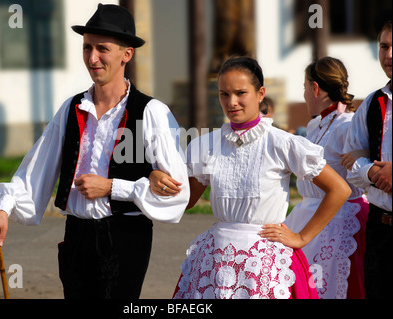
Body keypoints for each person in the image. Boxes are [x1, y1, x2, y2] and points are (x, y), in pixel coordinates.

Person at [0, 3, 189, 299]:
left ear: (126, 54)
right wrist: (4, 208)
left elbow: (178, 193)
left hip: (124, 238)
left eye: (102, 49)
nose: (92, 58)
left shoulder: (152, 112)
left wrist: (113, 187)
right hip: (76, 237)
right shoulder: (71, 109)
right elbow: (36, 169)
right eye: (86, 48)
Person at [150, 56, 351, 299]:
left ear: (260, 93)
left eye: (240, 93)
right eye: (224, 94)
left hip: (267, 264)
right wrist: (157, 177)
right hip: (216, 259)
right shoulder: (206, 145)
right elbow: (186, 201)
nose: (231, 102)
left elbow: (339, 189)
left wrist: (301, 237)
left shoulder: (282, 143)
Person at [285, 57, 369, 299]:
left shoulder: (347, 124)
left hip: (340, 217)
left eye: (304, 87)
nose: (304, 94)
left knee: (338, 288)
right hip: (307, 212)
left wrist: (363, 154)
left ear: (314, 88)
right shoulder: (315, 125)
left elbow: (371, 158)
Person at [341, 19, 392, 299]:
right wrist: (373, 172)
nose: (389, 55)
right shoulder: (372, 104)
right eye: (384, 46)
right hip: (380, 230)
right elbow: (352, 166)